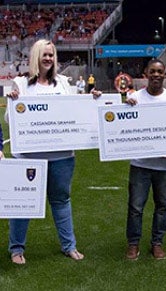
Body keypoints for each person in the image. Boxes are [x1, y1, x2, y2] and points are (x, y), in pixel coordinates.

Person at [5, 39, 102, 265]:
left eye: (51, 55)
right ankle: (16, 248)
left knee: (61, 200)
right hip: (28, 158)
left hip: (61, 157)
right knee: (22, 204)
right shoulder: (20, 83)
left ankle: (69, 246)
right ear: (35, 57)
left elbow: (78, 112)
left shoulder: (64, 84)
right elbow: (11, 120)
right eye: (44, 54)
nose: (48, 59)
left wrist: (94, 100)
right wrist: (13, 103)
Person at [125, 59, 166, 261]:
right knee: (135, 207)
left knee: (163, 205)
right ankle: (133, 243)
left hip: (165, 165)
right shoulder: (134, 98)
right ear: (146, 73)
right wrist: (125, 106)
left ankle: (157, 243)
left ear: (165, 74)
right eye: (153, 71)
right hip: (140, 163)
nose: (156, 75)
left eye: (160, 71)